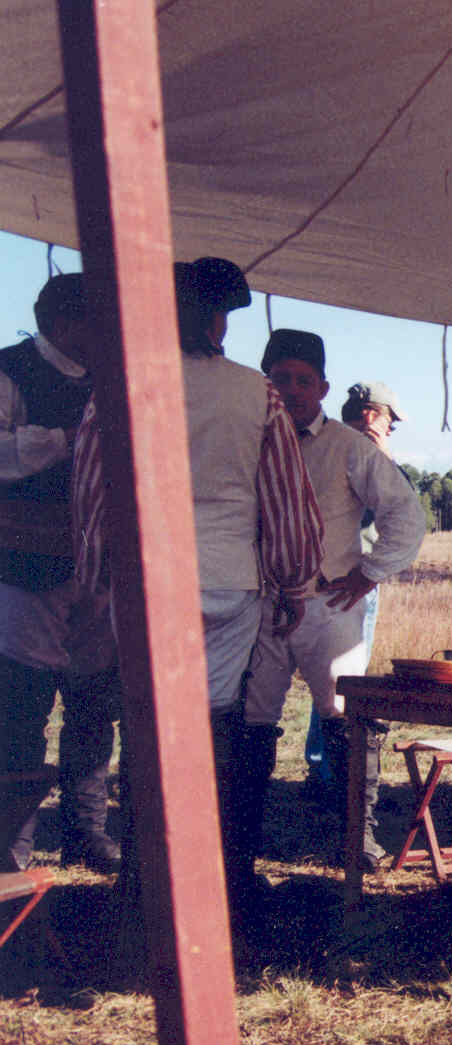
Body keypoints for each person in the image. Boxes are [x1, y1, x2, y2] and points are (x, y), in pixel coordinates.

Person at [70, 257, 324, 915]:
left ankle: (144, 881)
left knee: (148, 722)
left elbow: (92, 489)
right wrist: (294, 584)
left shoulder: (121, 383)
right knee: (210, 728)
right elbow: (286, 502)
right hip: (226, 585)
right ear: (219, 320)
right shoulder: (255, 392)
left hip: (145, 581)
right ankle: (198, 885)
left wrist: (97, 579)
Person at [238, 329, 424, 877]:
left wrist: (368, 574)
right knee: (251, 720)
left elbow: (405, 515)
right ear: (265, 382)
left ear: (321, 387)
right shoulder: (246, 436)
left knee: (345, 716)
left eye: (303, 380)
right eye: (280, 379)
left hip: (328, 605)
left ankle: (356, 839)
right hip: (262, 604)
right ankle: (238, 839)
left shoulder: (348, 446)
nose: (292, 390)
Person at [0, 273, 122, 873]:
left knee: (93, 702)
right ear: (66, 322)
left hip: (96, 568)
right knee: (22, 704)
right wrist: (67, 440)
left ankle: (84, 830)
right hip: (23, 565)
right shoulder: (9, 369)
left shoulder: (110, 379)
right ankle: (12, 845)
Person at [304, 381, 405, 786]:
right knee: (344, 678)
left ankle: (322, 766)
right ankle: (332, 773)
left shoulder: (324, 441)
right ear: (371, 415)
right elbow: (399, 507)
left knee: (329, 677)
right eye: (390, 422)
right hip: (351, 582)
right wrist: (381, 449)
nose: (392, 430)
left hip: (323, 579)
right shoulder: (357, 451)